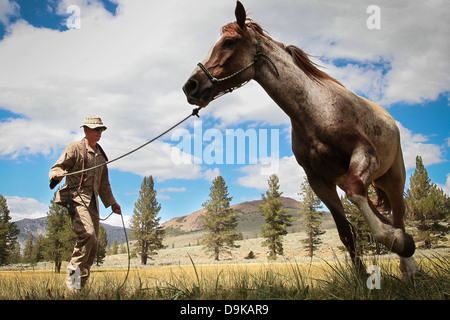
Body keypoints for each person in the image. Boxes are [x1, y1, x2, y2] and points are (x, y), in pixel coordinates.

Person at [49, 116, 121, 290]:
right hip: (77, 197)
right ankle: (73, 283)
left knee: (94, 244)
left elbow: (104, 184)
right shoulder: (74, 148)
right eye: (96, 129)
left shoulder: (101, 157)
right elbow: (56, 168)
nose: (99, 133)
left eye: (101, 130)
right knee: (88, 234)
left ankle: (79, 288)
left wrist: (112, 203)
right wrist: (57, 175)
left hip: (93, 202)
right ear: (86, 130)